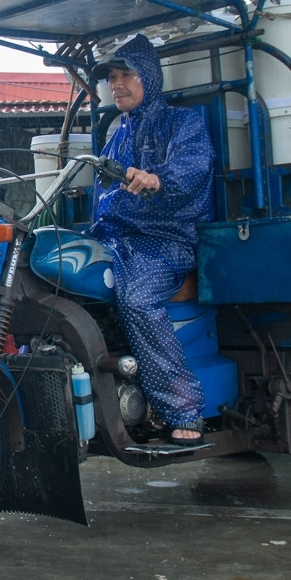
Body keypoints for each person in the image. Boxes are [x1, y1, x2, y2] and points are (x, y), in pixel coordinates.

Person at [87, 34, 214, 444]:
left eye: (127, 75)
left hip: (165, 241)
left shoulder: (183, 123)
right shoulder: (116, 135)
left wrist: (157, 180)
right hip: (117, 241)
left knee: (137, 299)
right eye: (111, 78)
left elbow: (193, 170)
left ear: (151, 78)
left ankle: (183, 408)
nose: (117, 84)